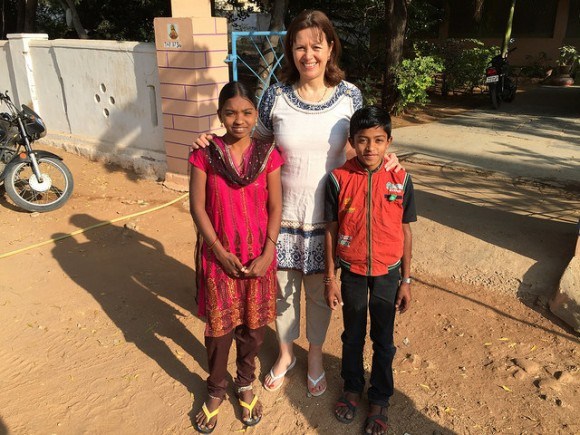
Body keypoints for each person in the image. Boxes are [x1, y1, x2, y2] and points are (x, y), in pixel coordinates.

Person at [193, 9, 400, 397]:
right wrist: (211, 138)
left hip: (332, 219)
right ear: (291, 51)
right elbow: (246, 137)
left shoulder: (350, 96)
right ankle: (286, 353)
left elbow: (369, 140)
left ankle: (316, 355)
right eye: (299, 47)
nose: (308, 55)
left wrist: (390, 157)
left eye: (316, 46)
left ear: (331, 48)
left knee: (321, 292)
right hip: (280, 217)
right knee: (283, 292)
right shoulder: (276, 95)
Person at [189, 81, 283, 433]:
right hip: (220, 257)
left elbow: (276, 204)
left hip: (259, 255)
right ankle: (215, 388)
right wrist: (217, 250)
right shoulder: (204, 154)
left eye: (246, 112)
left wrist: (268, 251)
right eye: (230, 112)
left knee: (254, 329)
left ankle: (244, 383)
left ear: (256, 115)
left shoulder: (268, 153)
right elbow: (197, 207)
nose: (238, 120)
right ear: (219, 115)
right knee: (219, 329)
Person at [324, 106, 416, 435]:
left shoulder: (401, 179)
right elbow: (331, 229)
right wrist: (330, 277)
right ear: (352, 141)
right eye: (362, 140)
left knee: (384, 338)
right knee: (352, 334)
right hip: (351, 268)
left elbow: (406, 231)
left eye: (378, 140)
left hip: (388, 271)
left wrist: (406, 280)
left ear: (389, 141)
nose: (370, 148)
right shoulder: (338, 179)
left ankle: (379, 398)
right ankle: (352, 387)